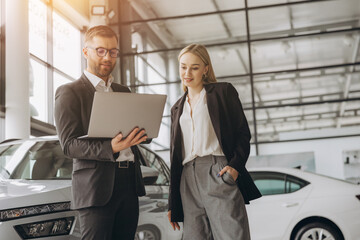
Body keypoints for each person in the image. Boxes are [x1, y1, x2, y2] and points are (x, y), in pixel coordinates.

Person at [54, 25, 148, 240]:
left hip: (128, 184)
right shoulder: (69, 92)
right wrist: (111, 147)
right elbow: (69, 145)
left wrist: (143, 131)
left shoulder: (123, 92)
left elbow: (134, 131)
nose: (108, 57)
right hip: (95, 188)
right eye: (101, 51)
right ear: (86, 52)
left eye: (113, 52)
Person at [167, 44, 262, 240]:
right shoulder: (177, 108)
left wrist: (235, 167)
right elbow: (175, 157)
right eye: (183, 66)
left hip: (217, 171)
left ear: (205, 69)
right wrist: (173, 203)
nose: (187, 72)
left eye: (194, 67)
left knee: (232, 234)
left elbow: (242, 133)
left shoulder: (222, 92)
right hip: (187, 180)